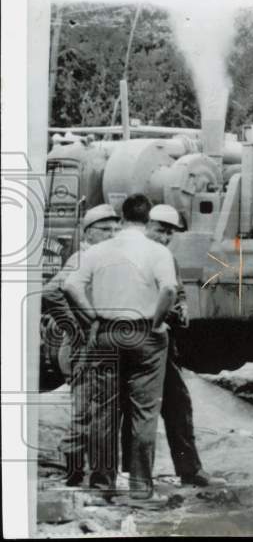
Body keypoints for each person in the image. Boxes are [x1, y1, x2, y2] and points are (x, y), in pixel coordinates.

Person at [62, 194, 177, 507]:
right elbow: (168, 288)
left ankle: (102, 485)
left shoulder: (98, 251)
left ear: (122, 217)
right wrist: (156, 322)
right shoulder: (157, 251)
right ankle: (140, 489)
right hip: (145, 335)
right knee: (144, 413)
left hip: (107, 333)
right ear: (147, 217)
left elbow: (70, 286)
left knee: (104, 411)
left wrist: (92, 316)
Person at [121, 204, 224, 487]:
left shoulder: (166, 257)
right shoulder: (130, 254)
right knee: (134, 409)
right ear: (146, 226)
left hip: (163, 344)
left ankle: (190, 470)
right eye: (160, 230)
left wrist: (182, 307)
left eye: (169, 233)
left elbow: (176, 291)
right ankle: (130, 473)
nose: (165, 237)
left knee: (178, 404)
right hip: (135, 339)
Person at [42, 204, 119, 487]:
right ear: (88, 233)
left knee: (94, 413)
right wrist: (76, 330)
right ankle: (72, 475)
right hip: (79, 349)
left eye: (115, 229)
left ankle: (80, 474)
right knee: (84, 414)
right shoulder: (82, 257)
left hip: (95, 347)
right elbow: (51, 292)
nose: (112, 234)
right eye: (105, 230)